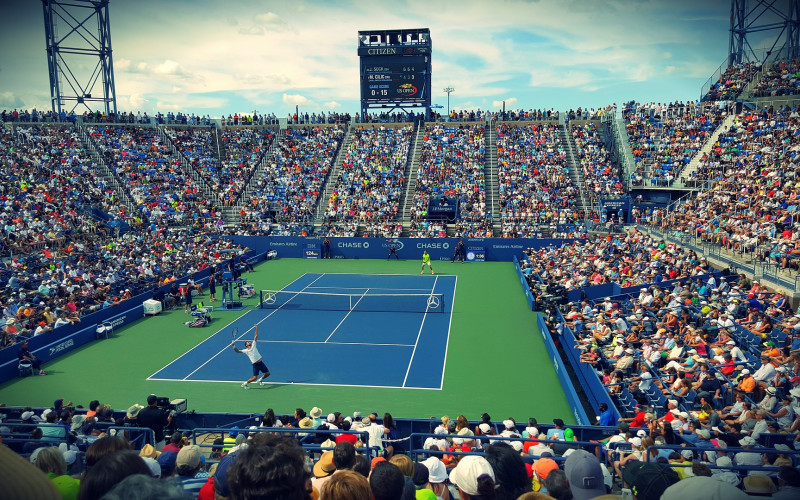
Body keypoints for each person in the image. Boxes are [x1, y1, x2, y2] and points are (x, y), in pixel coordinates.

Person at [232, 324, 270, 389]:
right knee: (254, 378)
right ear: (246, 345)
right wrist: (233, 346)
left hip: (261, 363)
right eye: (247, 342)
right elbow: (237, 351)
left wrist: (256, 328)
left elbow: (256, 336)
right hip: (255, 365)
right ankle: (244, 384)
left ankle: (260, 380)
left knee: (268, 373)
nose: (249, 342)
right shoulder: (245, 350)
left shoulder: (253, 345)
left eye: (249, 342)